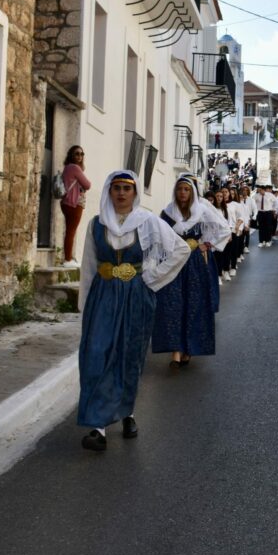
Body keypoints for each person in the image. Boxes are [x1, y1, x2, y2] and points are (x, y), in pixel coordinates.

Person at [76, 170, 191, 451]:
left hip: (135, 297)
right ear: (109, 191)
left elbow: (180, 249)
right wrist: (83, 306)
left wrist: (151, 279)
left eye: (127, 188)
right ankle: (98, 427)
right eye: (116, 187)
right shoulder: (97, 224)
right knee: (96, 354)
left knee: (129, 355)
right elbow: (89, 266)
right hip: (102, 297)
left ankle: (127, 413)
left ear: (135, 192)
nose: (121, 193)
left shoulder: (148, 222)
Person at [152, 175, 230, 368]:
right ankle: (176, 352)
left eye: (186, 189)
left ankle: (189, 348)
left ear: (192, 192)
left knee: (193, 304)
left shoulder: (201, 211)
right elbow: (159, 238)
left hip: (194, 262)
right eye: (180, 189)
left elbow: (224, 229)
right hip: (173, 262)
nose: (183, 193)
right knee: (173, 304)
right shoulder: (167, 213)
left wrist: (206, 244)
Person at [60, 146, 92, 267]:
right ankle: (68, 260)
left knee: (69, 231)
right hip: (74, 203)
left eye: (82, 154)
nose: (80, 156)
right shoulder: (74, 168)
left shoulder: (67, 168)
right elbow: (87, 185)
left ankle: (68, 257)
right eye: (76, 154)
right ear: (71, 155)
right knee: (71, 232)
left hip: (66, 203)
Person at [239, 183, 256, 254]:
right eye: (243, 190)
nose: (245, 191)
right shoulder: (239, 199)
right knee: (240, 233)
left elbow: (255, 209)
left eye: (246, 190)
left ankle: (246, 247)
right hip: (240, 218)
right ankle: (241, 247)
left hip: (248, 218)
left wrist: (254, 216)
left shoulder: (251, 200)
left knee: (247, 232)